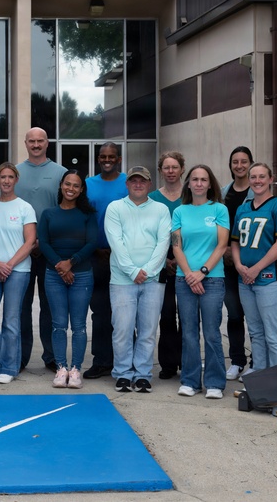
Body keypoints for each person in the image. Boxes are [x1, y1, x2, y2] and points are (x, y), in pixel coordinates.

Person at [104, 166, 171, 393]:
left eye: (142, 181)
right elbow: (116, 242)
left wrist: (149, 271)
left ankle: (142, 374)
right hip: (122, 280)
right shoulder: (115, 208)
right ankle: (123, 374)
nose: (138, 184)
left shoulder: (161, 210)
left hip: (152, 281)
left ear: (149, 184)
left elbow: (163, 243)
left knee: (147, 330)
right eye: (134, 180)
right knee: (122, 329)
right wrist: (133, 271)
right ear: (127, 184)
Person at [171, 164, 229, 399]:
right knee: (188, 332)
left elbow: (222, 245)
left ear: (210, 183)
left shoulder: (219, 209)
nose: (198, 183)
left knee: (212, 332)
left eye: (203, 179)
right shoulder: (180, 212)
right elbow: (176, 245)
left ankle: (215, 382)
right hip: (184, 280)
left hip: (212, 279)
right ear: (188, 183)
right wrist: (189, 274)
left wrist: (202, 272)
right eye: (194, 179)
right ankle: (190, 380)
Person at [231, 163, 277, 373]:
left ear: (270, 179)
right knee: (256, 333)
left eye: (261, 176)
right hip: (245, 280)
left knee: (273, 335)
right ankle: (260, 382)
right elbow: (235, 242)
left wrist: (256, 268)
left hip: (270, 279)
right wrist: (239, 266)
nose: (257, 180)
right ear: (249, 180)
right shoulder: (243, 208)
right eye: (253, 177)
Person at [0, 162, 37, 384]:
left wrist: (9, 265)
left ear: (16, 180)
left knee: (11, 320)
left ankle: (9, 367)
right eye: (2, 177)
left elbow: (30, 241)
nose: (6, 181)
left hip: (18, 270)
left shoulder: (25, 208)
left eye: (10, 177)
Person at [39, 170, 98, 389]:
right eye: (67, 184)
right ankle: (61, 367)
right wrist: (60, 266)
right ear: (61, 185)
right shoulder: (48, 214)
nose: (70, 188)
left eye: (75, 185)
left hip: (81, 275)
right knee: (58, 325)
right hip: (54, 275)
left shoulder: (88, 214)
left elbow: (92, 242)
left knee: (80, 326)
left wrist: (70, 263)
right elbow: (43, 243)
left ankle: (75, 370)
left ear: (81, 189)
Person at [15, 127, 67, 372]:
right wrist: (29, 243)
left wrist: (42, 241)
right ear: (25, 143)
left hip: (50, 252)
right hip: (21, 252)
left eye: (40, 141)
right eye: (31, 141)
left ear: (48, 143)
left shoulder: (60, 173)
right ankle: (21, 356)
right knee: (21, 306)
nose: (36, 145)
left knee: (51, 306)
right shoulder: (15, 173)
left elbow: (64, 211)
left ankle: (52, 357)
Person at [83, 141, 128, 380]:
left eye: (112, 156)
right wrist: (95, 248)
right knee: (99, 312)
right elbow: (84, 219)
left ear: (119, 158)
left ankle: (125, 362)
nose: (107, 160)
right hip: (96, 256)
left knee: (125, 312)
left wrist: (119, 250)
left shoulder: (128, 183)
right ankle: (101, 361)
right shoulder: (88, 184)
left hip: (123, 258)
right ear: (98, 158)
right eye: (103, 156)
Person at [149, 151, 185, 379]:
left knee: (189, 317)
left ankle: (187, 361)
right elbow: (151, 235)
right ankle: (168, 364)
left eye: (175, 167)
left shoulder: (191, 196)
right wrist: (165, 259)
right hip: (160, 265)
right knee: (167, 315)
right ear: (161, 170)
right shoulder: (152, 198)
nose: (170, 171)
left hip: (188, 265)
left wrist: (178, 259)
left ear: (182, 168)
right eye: (166, 167)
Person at [221, 146, 254, 381]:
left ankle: (257, 361)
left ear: (250, 163)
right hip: (228, 264)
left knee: (254, 316)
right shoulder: (224, 192)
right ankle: (237, 361)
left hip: (253, 263)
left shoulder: (259, 191)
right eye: (235, 162)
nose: (239, 166)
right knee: (234, 314)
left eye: (244, 161)